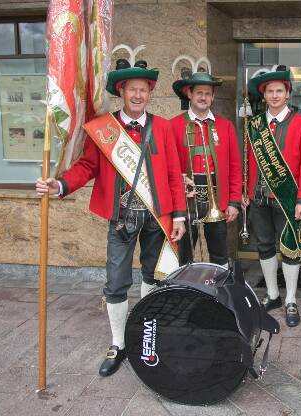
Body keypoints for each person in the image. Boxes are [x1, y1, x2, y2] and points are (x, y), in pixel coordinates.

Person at [35, 57, 186, 377]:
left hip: (157, 219)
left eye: (143, 90)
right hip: (120, 219)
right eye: (132, 89)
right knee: (116, 283)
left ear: (149, 93)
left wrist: (180, 217)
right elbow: (87, 167)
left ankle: (149, 334)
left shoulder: (163, 127)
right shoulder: (105, 128)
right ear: (121, 91)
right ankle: (118, 343)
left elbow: (174, 173)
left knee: (154, 276)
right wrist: (59, 184)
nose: (137, 95)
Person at [245, 65, 301, 327]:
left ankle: (291, 299)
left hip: (288, 200)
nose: (274, 95)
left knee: (291, 249)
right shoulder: (254, 125)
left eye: (279, 91)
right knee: (264, 246)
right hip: (259, 198)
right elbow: (247, 162)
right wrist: (245, 191)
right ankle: (273, 295)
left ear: (288, 94)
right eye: (270, 91)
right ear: (264, 96)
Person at [170, 57, 241, 266]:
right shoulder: (173, 126)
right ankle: (186, 292)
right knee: (184, 253)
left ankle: (218, 293)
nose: (204, 97)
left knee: (219, 253)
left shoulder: (226, 126)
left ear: (213, 97)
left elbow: (235, 167)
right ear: (189, 94)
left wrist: (234, 201)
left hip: (217, 197)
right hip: (186, 197)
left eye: (208, 93)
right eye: (199, 92)